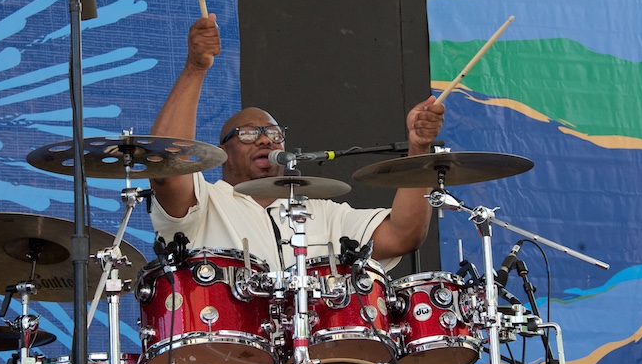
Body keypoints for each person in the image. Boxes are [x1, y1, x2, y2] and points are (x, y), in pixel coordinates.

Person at [149, 14, 445, 272]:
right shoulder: (206, 203)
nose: (265, 139)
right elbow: (167, 165)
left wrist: (418, 148)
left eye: (274, 133)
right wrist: (195, 67)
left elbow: (403, 235)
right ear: (222, 151)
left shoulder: (320, 212)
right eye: (249, 133)